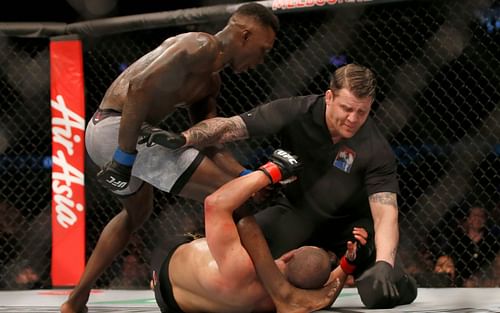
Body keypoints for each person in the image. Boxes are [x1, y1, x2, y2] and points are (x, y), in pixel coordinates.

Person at [61, 4, 279, 313]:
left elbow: (210, 139)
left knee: (136, 214)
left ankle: (75, 300)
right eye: (264, 49)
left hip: (105, 132)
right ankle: (278, 290)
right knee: (233, 198)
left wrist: (246, 176)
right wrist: (124, 156)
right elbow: (139, 85)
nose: (263, 59)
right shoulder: (199, 45)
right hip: (118, 130)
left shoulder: (210, 82)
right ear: (245, 35)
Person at [147, 63, 418, 309]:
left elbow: (385, 212)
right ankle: (172, 270)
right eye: (347, 108)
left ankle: (401, 282)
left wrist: (384, 262)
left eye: (362, 112)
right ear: (329, 97)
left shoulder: (375, 147)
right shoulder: (296, 111)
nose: (353, 119)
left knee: (377, 294)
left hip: (349, 229)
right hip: (294, 212)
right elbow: (231, 127)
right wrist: (183, 138)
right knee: (238, 248)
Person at [151, 149, 368, 313]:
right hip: (171, 302)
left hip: (169, 258)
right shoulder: (279, 300)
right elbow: (325, 295)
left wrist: (272, 171)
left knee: (237, 211)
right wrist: (347, 265)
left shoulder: (241, 268)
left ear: (289, 254)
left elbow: (214, 204)